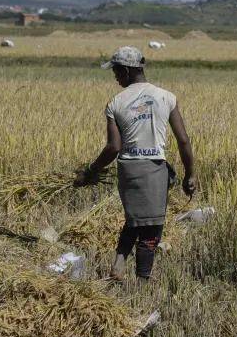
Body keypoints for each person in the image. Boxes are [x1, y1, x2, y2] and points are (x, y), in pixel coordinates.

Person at [75, 46, 196, 281]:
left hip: (128, 170)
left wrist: (91, 171)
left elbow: (113, 147)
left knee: (135, 219)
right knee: (151, 229)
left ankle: (119, 264)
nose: (116, 77)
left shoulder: (116, 103)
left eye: (117, 72)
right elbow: (183, 140)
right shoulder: (166, 97)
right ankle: (142, 280)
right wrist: (190, 173)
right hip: (154, 169)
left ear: (128, 71)